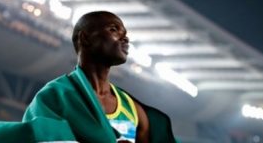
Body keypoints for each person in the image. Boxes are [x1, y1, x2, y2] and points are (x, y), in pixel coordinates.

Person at [23, 11, 176, 143]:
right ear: (85, 38)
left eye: (125, 34)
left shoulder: (133, 109)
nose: (125, 39)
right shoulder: (54, 96)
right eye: (114, 29)